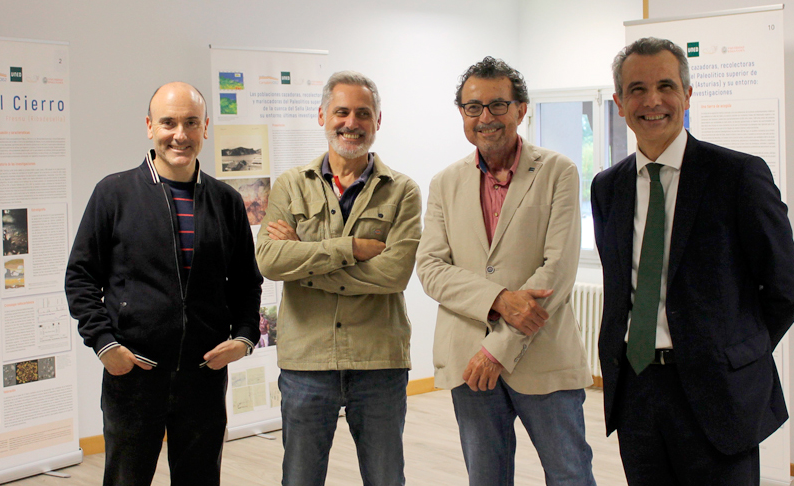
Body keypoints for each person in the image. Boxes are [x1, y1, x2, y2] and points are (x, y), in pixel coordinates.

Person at [591, 37, 794, 486]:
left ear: (688, 95)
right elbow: (619, 287)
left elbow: (784, 288)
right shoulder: (607, 187)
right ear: (618, 102)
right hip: (637, 391)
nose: (652, 101)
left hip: (718, 394)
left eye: (666, 86)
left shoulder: (738, 175)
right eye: (637, 89)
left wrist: (735, 354)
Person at [66, 82, 262, 486]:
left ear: (205, 128)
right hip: (134, 375)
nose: (180, 134)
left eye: (191, 123)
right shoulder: (114, 193)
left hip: (203, 376)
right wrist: (105, 345)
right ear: (149, 126)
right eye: (169, 122)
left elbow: (246, 280)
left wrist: (243, 339)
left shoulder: (226, 201)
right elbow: (81, 276)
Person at [416, 57, 596, 486]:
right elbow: (431, 267)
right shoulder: (445, 182)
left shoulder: (559, 172)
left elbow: (558, 271)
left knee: (570, 475)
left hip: (541, 354)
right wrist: (497, 300)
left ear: (521, 108)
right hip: (467, 360)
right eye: (473, 107)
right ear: (461, 113)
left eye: (498, 105)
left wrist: (498, 349)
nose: (486, 117)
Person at [255, 71, 421, 486]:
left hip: (379, 362)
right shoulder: (291, 185)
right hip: (306, 363)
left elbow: (394, 274)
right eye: (342, 111)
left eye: (363, 113)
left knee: (386, 478)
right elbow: (271, 261)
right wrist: (350, 249)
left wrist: (306, 263)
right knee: (300, 478)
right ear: (322, 116)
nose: (352, 122)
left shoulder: (403, 192)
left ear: (377, 121)